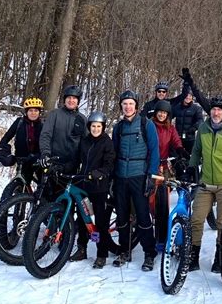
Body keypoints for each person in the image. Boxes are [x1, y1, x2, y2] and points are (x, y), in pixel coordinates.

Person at [186, 96, 222, 272]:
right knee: (196, 219)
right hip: (206, 183)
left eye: (219, 109)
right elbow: (196, 151)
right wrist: (191, 167)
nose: (216, 112)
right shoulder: (203, 128)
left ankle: (220, 257)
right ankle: (193, 256)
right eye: (213, 110)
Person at [112, 90, 160, 271]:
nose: (127, 107)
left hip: (139, 176)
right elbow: (113, 153)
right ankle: (125, 250)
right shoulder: (118, 127)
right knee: (122, 217)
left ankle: (149, 253)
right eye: (124, 104)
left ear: (136, 106)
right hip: (121, 177)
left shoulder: (146, 124)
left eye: (130, 103)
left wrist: (151, 176)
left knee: (142, 216)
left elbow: (154, 151)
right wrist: (112, 177)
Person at [69, 112, 116, 269]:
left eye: (99, 126)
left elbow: (110, 164)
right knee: (83, 218)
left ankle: (102, 254)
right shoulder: (85, 141)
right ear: (89, 127)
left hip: (99, 187)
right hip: (84, 185)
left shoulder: (106, 142)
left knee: (100, 221)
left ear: (103, 127)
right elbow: (76, 159)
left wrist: (100, 173)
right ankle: (81, 248)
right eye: (93, 126)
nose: (95, 129)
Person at [151, 100, 189, 244]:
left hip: (163, 167)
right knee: (149, 199)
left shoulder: (170, 128)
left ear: (168, 115)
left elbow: (176, 141)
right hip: (149, 165)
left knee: (162, 202)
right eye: (159, 112)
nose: (161, 115)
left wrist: (181, 151)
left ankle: (161, 236)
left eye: (165, 113)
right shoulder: (149, 126)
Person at [0, 97, 44, 182]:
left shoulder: (43, 125)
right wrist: (0, 148)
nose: (33, 113)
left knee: (43, 184)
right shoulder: (19, 122)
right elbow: (7, 136)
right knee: (21, 183)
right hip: (22, 159)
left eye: (36, 110)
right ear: (26, 112)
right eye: (31, 111)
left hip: (37, 159)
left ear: (39, 112)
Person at [39, 85, 87, 173]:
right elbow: (45, 135)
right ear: (64, 99)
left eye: (74, 98)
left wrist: (79, 160)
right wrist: (45, 153)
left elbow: (86, 143)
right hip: (52, 162)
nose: (71, 100)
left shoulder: (82, 119)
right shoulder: (54, 114)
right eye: (69, 97)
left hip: (72, 166)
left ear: (78, 101)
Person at [171, 87, 204, 155]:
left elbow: (200, 120)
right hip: (178, 138)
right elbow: (169, 117)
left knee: (190, 157)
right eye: (186, 95)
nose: (188, 97)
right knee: (177, 158)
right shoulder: (177, 107)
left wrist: (193, 128)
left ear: (192, 97)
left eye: (190, 96)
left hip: (190, 138)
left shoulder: (196, 108)